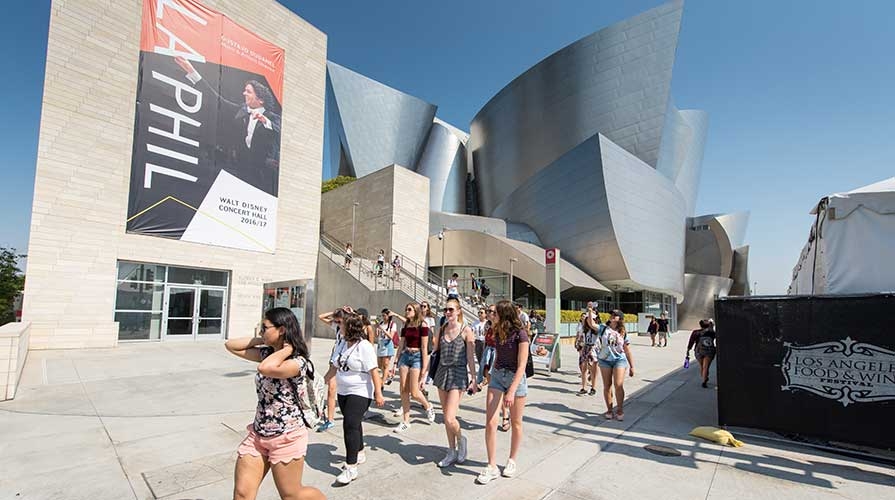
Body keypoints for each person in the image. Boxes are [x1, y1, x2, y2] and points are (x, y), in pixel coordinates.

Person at [224, 307, 325, 500]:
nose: (261, 331)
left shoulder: (299, 362)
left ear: (281, 330)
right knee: (242, 494)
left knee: (292, 495)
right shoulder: (267, 354)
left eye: (264, 327)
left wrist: (288, 348)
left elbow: (266, 368)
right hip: (258, 434)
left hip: (287, 436)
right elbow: (231, 345)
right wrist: (263, 340)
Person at [174, 57, 281, 193]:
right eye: (245, 90)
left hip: (263, 176)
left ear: (260, 100)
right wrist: (192, 72)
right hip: (240, 171)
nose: (244, 93)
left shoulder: (273, 118)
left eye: (248, 91)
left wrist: (264, 121)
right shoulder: (241, 110)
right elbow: (214, 97)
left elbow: (278, 133)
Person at [323, 314, 385, 484]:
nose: (338, 326)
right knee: (354, 423)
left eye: (341, 324)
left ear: (350, 328)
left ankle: (351, 467)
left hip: (361, 391)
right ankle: (360, 450)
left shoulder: (364, 346)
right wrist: (322, 382)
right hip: (343, 391)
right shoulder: (342, 344)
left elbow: (374, 371)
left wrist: (378, 393)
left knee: (349, 424)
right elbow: (334, 367)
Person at [477, 300, 529, 485]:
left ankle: (512, 460)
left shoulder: (520, 334)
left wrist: (511, 391)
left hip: (516, 378)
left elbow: (522, 364)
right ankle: (491, 466)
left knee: (516, 422)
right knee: (490, 421)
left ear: (504, 315)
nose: (491, 315)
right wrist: (486, 377)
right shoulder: (495, 331)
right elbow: (497, 355)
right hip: (498, 375)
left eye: (495, 313)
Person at [432, 298, 478, 467]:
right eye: (446, 310)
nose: (448, 312)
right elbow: (434, 353)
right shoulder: (442, 329)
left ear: (459, 311)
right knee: (445, 416)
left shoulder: (466, 331)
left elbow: (470, 358)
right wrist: (424, 375)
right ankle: (451, 450)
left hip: (458, 374)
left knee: (451, 417)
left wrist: (474, 378)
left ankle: (461, 439)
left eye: (451, 309)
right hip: (442, 373)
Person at [391, 302, 436, 432]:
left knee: (415, 392)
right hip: (405, 356)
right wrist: (395, 362)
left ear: (415, 311)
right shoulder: (405, 326)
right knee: (403, 389)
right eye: (406, 309)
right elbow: (401, 345)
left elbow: (424, 347)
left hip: (417, 357)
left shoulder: (423, 326)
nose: (407, 311)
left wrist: (424, 368)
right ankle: (405, 421)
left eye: (409, 309)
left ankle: (428, 406)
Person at [597, 309, 636, 421]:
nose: (612, 316)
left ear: (620, 318)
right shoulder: (603, 328)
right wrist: (590, 311)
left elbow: (627, 350)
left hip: (619, 359)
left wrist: (632, 366)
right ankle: (609, 410)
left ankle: (619, 409)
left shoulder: (622, 332)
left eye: (615, 315)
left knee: (618, 384)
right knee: (607, 385)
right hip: (605, 360)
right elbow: (591, 324)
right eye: (611, 315)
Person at [316, 307, 348, 432]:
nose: (338, 324)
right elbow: (321, 316)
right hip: (334, 360)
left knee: (339, 390)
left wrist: (350, 312)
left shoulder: (352, 329)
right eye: (337, 321)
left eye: (340, 321)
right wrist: (334, 311)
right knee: (331, 389)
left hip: (345, 363)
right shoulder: (338, 328)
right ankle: (330, 419)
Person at [575, 309, 601, 396]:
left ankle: (593, 388)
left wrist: (590, 313)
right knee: (583, 369)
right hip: (586, 347)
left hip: (594, 348)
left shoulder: (597, 329)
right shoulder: (584, 329)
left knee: (593, 369)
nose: (588, 321)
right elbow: (580, 337)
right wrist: (579, 345)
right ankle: (584, 388)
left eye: (591, 319)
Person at [687, 319, 717, 388]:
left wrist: (688, 350)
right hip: (709, 351)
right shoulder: (711, 333)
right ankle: (704, 380)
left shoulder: (696, 332)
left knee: (702, 366)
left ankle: (704, 377)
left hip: (698, 351)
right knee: (706, 366)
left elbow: (691, 341)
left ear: (700, 325)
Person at [377, 308, 398, 385]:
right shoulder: (381, 323)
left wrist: (383, 330)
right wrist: (377, 329)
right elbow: (377, 335)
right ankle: (389, 375)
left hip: (388, 344)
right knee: (379, 364)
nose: (383, 317)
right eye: (382, 315)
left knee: (386, 364)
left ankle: (382, 382)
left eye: (384, 315)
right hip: (381, 344)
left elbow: (391, 336)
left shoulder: (393, 324)